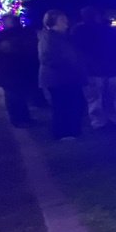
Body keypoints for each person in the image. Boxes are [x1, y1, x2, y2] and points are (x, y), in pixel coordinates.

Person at [71, 6, 116, 128]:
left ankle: (100, 121)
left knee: (96, 98)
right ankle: (112, 119)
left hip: (95, 69)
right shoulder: (106, 30)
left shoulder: (79, 30)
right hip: (105, 69)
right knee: (108, 97)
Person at [38, 10, 86, 141]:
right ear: (52, 22)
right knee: (62, 105)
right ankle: (63, 132)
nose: (66, 22)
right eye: (62, 20)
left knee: (72, 103)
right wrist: (68, 64)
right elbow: (46, 58)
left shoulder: (64, 37)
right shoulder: (48, 37)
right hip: (57, 79)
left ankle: (72, 130)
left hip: (67, 78)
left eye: (65, 19)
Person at [0, 14, 38, 127]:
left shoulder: (20, 34)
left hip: (18, 70)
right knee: (13, 96)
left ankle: (24, 117)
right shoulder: (3, 36)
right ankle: (18, 120)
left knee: (21, 96)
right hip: (9, 72)